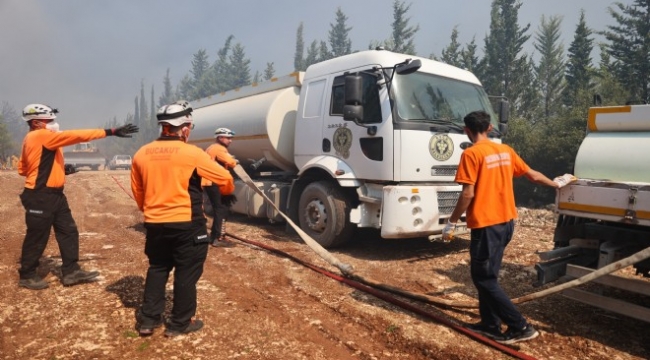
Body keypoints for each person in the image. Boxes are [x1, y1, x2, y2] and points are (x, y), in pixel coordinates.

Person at [443, 110, 573, 345]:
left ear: (467, 131)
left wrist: (451, 221)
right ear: (490, 128)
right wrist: (555, 183)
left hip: (486, 225)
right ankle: (490, 324)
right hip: (506, 223)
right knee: (488, 274)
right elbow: (532, 175)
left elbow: (467, 193)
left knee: (483, 278)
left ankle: (520, 326)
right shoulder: (505, 151)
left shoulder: (471, 154)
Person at [130, 100, 235, 337]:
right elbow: (224, 178)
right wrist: (227, 194)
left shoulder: (141, 154)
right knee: (186, 273)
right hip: (187, 224)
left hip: (155, 223)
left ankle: (148, 320)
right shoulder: (191, 153)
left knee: (157, 268)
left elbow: (139, 193)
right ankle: (179, 323)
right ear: (185, 127)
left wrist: (153, 213)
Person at [17, 103, 139, 290]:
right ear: (35, 122)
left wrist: (59, 170)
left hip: (54, 194)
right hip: (41, 195)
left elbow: (23, 169)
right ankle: (27, 275)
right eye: (48, 120)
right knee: (37, 235)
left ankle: (71, 271)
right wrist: (111, 131)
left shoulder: (31, 139)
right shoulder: (41, 135)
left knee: (68, 231)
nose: (53, 123)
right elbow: (77, 135)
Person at [201, 127, 238, 248]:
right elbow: (231, 162)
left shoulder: (212, 147)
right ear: (220, 138)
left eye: (230, 138)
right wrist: (233, 160)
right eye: (228, 138)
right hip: (214, 182)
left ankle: (218, 235)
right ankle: (217, 238)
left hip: (210, 181)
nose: (230, 141)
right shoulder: (219, 148)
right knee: (220, 209)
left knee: (221, 208)